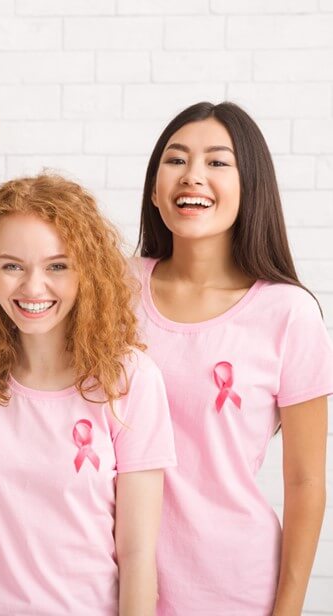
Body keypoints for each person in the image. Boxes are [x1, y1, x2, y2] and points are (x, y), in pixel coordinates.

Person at [0, 174, 176, 615]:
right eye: (12, 265)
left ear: (87, 269)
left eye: (57, 266)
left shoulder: (130, 381)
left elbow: (138, 555)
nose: (33, 288)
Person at [135, 101, 333, 615]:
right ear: (155, 189)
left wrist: (288, 608)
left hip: (233, 588)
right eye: (175, 160)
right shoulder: (112, 289)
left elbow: (307, 481)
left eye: (218, 163)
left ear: (251, 188)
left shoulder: (288, 313)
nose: (193, 176)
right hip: (111, 580)